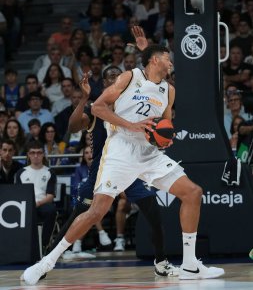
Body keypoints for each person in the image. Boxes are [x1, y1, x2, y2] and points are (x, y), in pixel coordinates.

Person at [21, 35, 225, 285]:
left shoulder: (169, 90)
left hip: (149, 155)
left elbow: (165, 124)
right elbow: (98, 107)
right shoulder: (130, 77)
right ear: (155, 60)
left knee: (193, 193)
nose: (171, 63)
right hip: (120, 150)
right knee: (96, 211)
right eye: (167, 58)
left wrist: (164, 138)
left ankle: (191, 265)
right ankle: (46, 262)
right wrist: (132, 125)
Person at [15, 140, 57, 253]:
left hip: (42, 203)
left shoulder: (49, 172)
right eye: (33, 153)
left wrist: (37, 203)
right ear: (28, 155)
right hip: (26, 205)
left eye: (39, 153)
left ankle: (44, 244)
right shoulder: (21, 172)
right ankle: (25, 246)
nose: (36, 156)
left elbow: (50, 196)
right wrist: (30, 204)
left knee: (52, 210)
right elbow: (18, 194)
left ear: (43, 154)